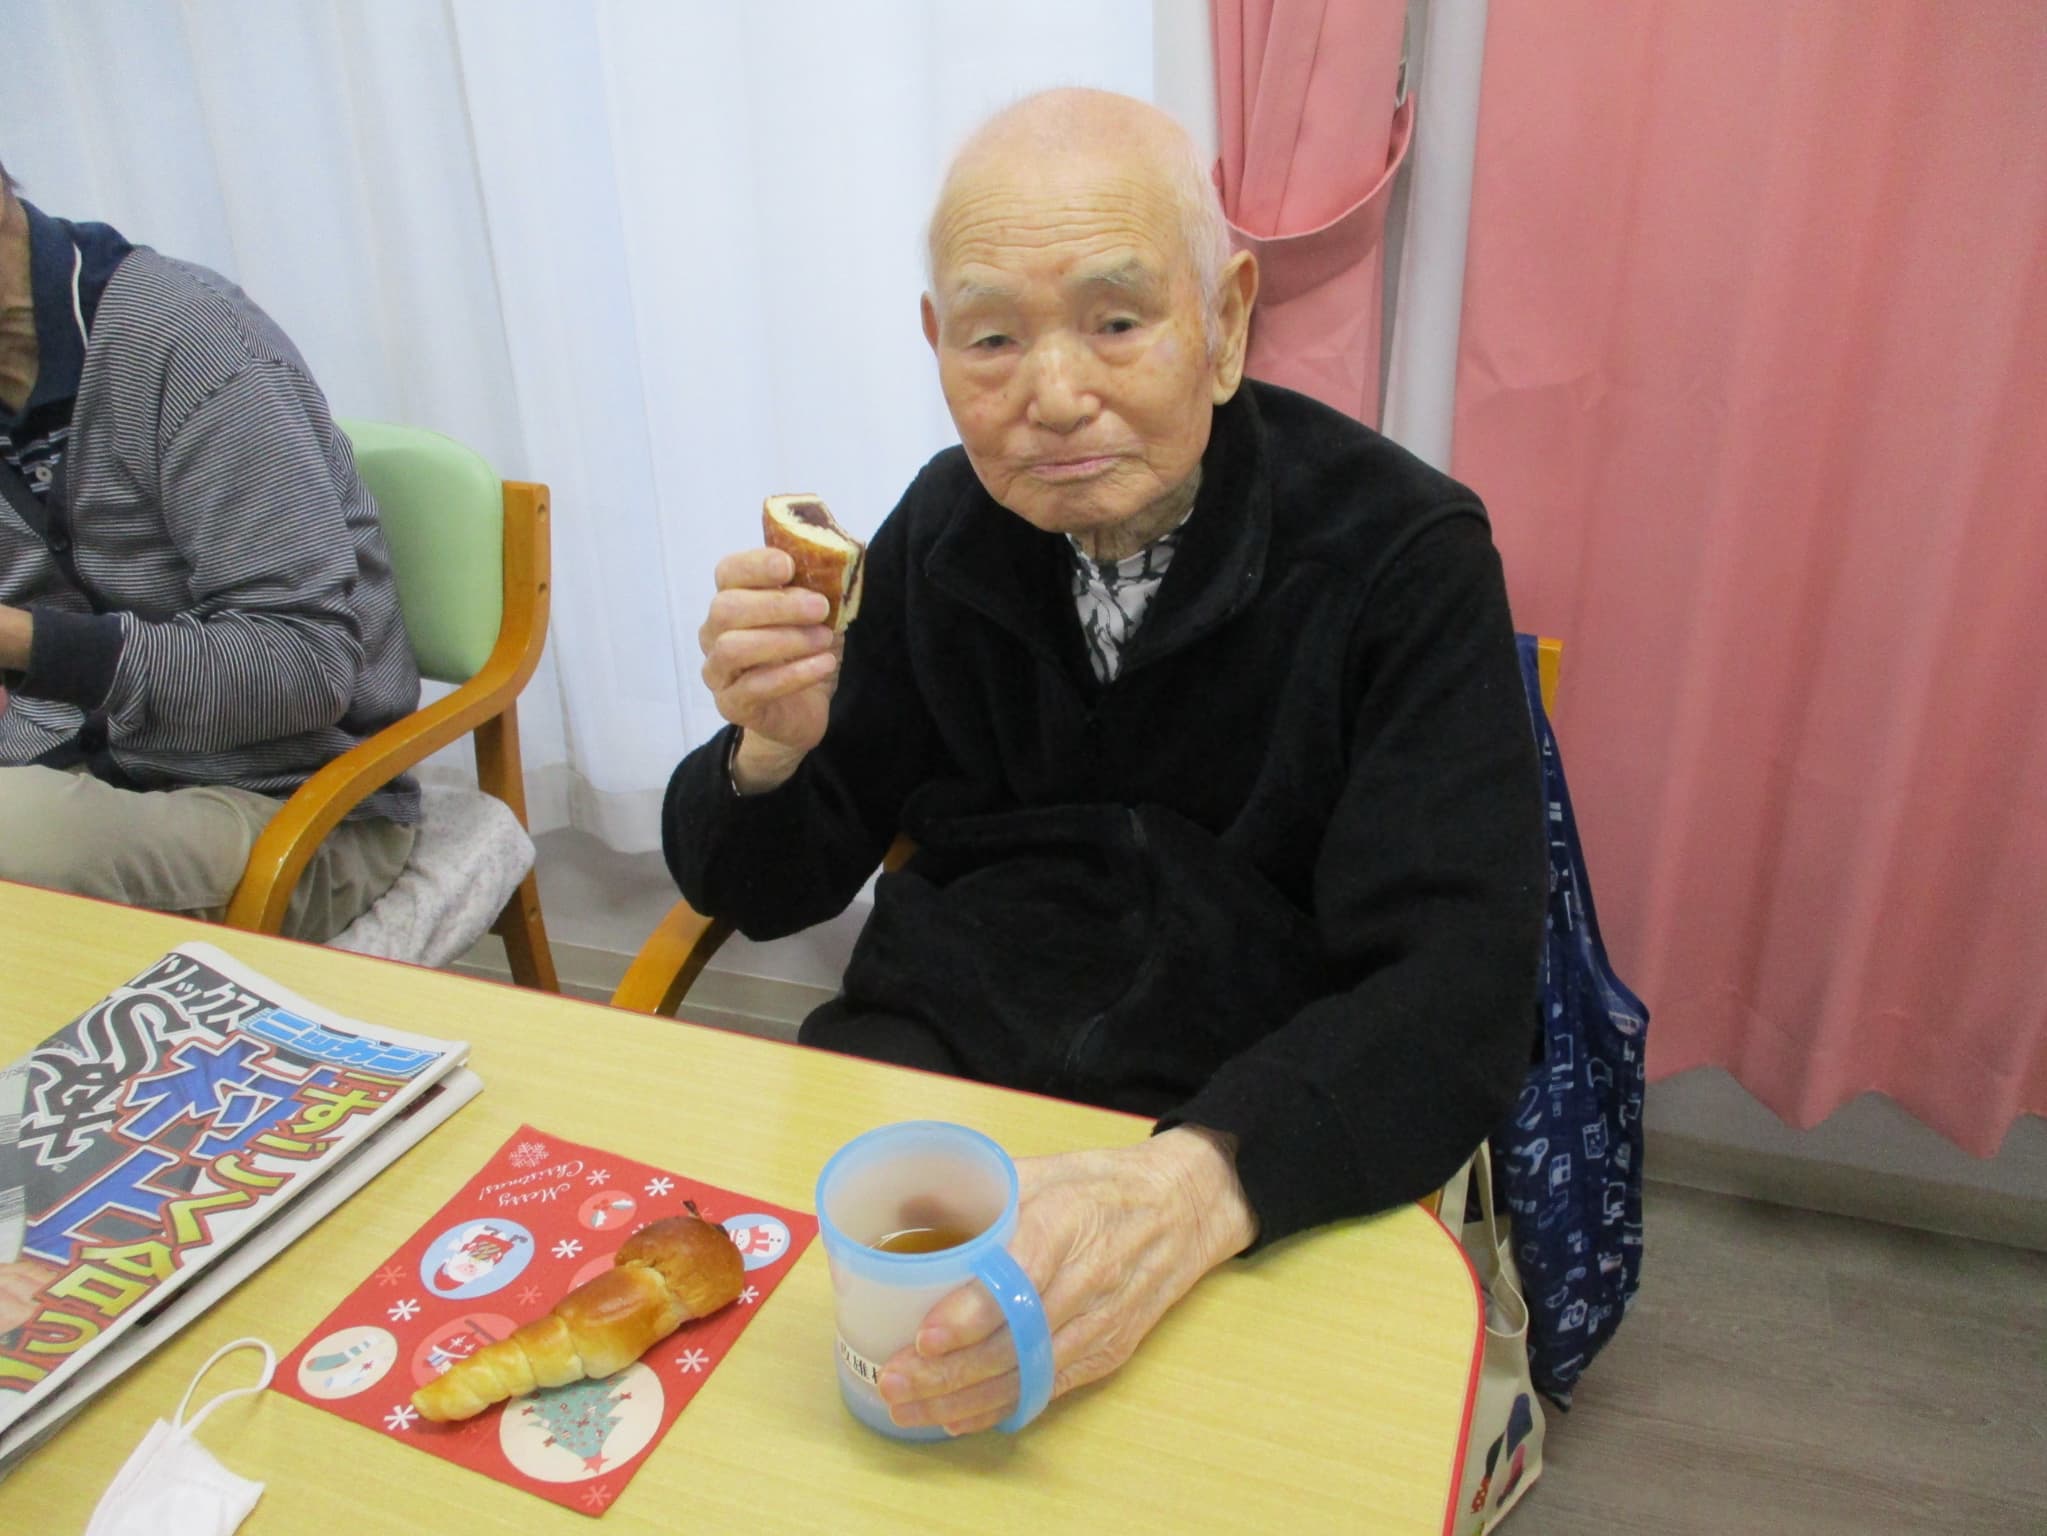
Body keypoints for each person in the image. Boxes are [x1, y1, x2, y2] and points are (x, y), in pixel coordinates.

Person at [667, 90, 1545, 1435]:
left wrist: (1190, 1188)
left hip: (1246, 1129)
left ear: (1226, 323)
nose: (1055, 395)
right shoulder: (943, 529)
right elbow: (771, 883)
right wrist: (768, 754)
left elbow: (1457, 981)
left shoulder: (1399, 556)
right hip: (938, 1075)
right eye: (992, 338)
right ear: (935, 345)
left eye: (1117, 321)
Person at [0, 159, 420, 939]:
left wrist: (27, 643)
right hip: (64, 768)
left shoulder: (192, 342)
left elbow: (304, 667)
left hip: (286, 798)